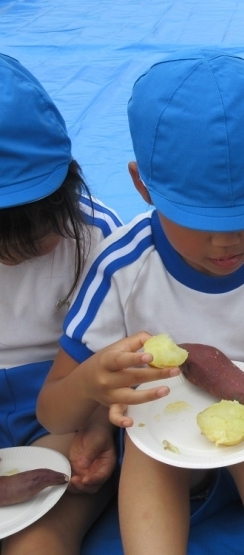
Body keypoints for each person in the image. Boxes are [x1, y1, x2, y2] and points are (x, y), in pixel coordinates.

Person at [35, 49, 244, 555]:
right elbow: (53, 413)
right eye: (202, 222)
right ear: (142, 184)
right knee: (150, 452)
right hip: (167, 455)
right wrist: (92, 384)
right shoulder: (122, 269)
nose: (227, 243)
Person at [0, 53, 122, 553]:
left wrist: (96, 424)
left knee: (40, 538)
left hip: (62, 404)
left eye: (44, 223)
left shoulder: (99, 239)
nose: (27, 247)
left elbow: (120, 361)